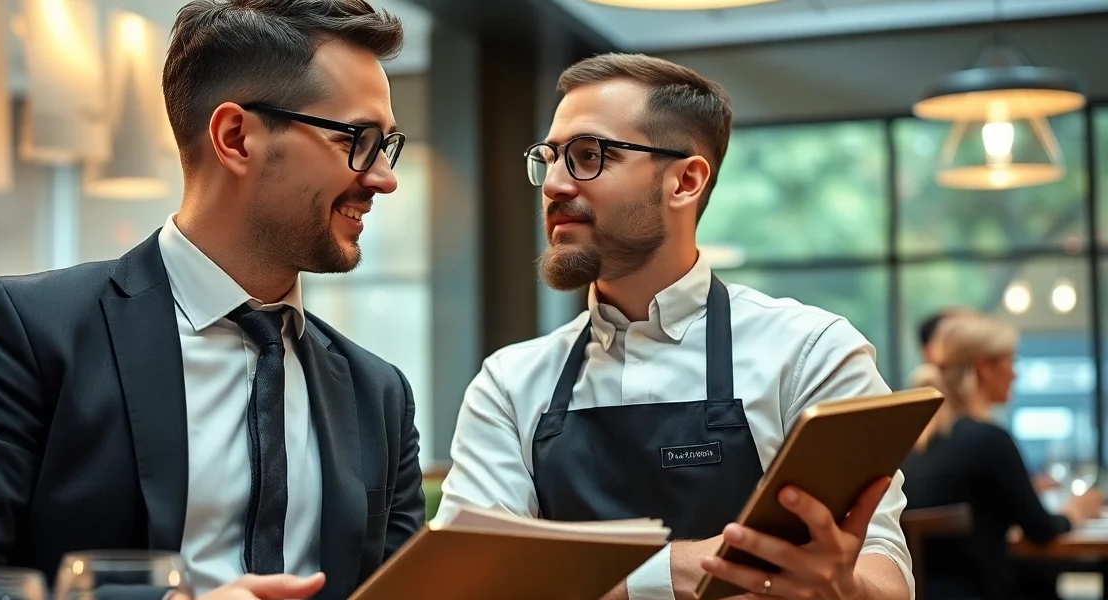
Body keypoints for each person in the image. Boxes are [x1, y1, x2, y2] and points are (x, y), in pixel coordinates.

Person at [0, 2, 424, 600]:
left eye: (385, 144)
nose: (384, 178)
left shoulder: (380, 394)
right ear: (235, 137)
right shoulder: (29, 333)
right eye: (359, 141)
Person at [432, 53, 912, 600]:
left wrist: (845, 590)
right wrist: (708, 565)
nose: (554, 185)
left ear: (685, 180)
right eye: (550, 159)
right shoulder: (509, 382)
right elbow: (472, 582)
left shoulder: (813, 353)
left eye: (588, 156)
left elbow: (884, 570)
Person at [901, 314, 1101, 600]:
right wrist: (1075, 512)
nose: (1015, 374)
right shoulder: (988, 439)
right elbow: (1041, 531)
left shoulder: (911, 439)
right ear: (984, 368)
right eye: (1010, 361)